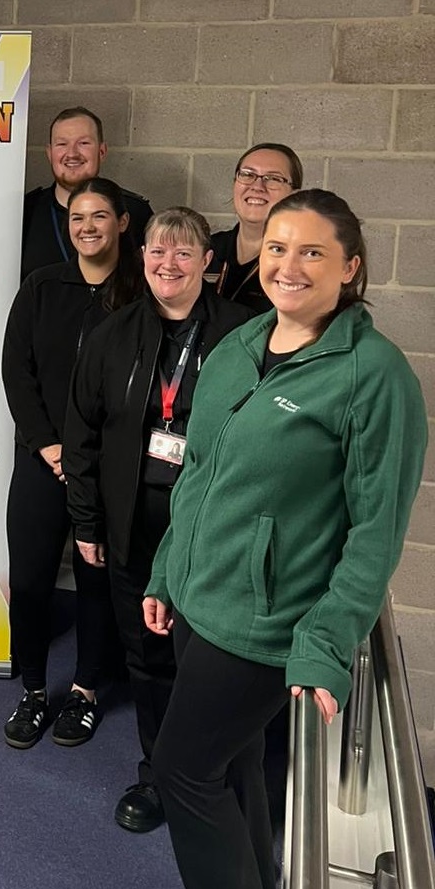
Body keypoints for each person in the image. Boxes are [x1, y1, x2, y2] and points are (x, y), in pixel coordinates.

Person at [145, 190, 427, 889]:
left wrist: (327, 640)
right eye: (276, 247)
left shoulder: (374, 376)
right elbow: (200, 471)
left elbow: (374, 531)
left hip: (262, 622)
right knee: (231, 764)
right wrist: (163, 570)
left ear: (349, 267)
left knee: (181, 771)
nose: (288, 265)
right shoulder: (242, 341)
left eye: (311, 252)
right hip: (197, 597)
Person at [62, 207, 254, 833]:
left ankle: (215, 776)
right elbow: (82, 435)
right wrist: (87, 523)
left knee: (206, 657)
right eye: (155, 252)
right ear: (140, 258)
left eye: (182, 253)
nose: (167, 264)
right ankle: (159, 774)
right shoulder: (112, 334)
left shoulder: (244, 336)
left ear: (208, 263)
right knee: (146, 657)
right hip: (131, 526)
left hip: (211, 530)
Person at [0, 178, 141, 751]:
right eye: (77, 217)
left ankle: (84, 692)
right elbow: (17, 370)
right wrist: (47, 444)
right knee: (31, 581)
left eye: (99, 216)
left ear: (122, 223)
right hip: (43, 460)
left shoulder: (140, 293)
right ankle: (33, 690)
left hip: (108, 472)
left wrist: (92, 458)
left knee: (96, 583)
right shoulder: (41, 286)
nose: (87, 227)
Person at [20, 106, 153, 281]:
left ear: (102, 151)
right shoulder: (24, 212)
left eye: (83, 143)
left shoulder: (136, 212)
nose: (72, 153)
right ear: (49, 153)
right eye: (62, 144)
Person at [205, 143, 303, 313]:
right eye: (247, 174)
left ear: (294, 196)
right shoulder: (206, 249)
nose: (257, 186)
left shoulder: (299, 265)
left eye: (273, 178)